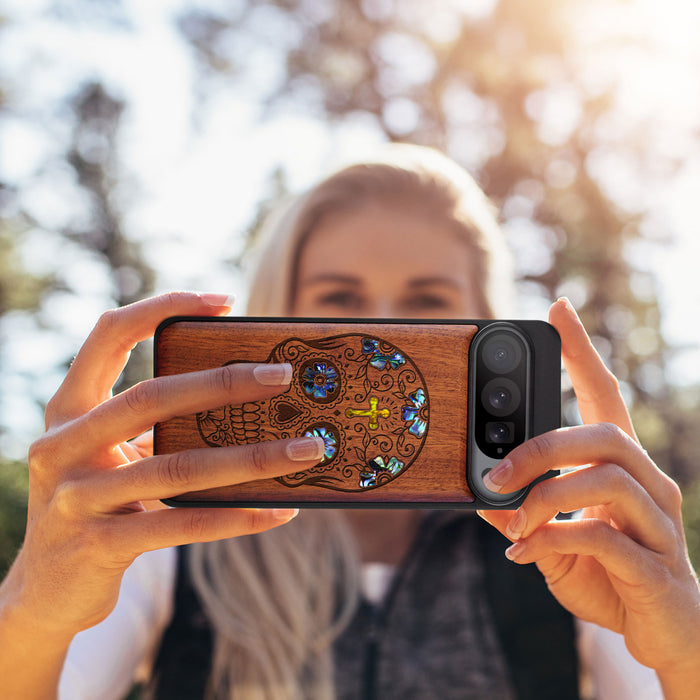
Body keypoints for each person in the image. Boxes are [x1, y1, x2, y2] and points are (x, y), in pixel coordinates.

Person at [0, 145, 698, 700]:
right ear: (281, 314)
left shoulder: (566, 544)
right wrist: (34, 607)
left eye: (427, 302)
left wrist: (685, 648)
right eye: (339, 298)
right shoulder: (171, 536)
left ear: (485, 325)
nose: (383, 330)